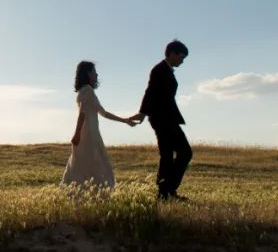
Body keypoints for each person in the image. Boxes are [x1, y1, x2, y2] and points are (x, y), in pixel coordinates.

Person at [62, 60, 141, 189]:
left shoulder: (85, 91)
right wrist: (77, 134)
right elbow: (82, 113)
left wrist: (125, 120)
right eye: (94, 72)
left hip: (91, 133)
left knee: (85, 163)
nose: (97, 75)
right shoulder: (87, 90)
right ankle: (91, 192)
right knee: (95, 163)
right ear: (88, 74)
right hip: (88, 134)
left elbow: (104, 113)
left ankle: (82, 192)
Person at [131, 39, 192, 201]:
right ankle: (166, 191)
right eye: (181, 57)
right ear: (172, 54)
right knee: (182, 152)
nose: (182, 60)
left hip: (165, 118)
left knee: (170, 154)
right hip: (162, 119)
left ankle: (166, 191)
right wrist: (142, 113)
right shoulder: (159, 70)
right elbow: (150, 91)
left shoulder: (166, 70)